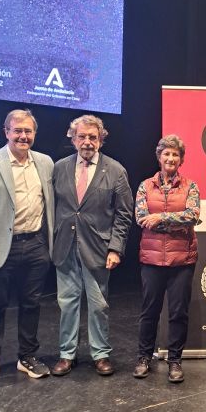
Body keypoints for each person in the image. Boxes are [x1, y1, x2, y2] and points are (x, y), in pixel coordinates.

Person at [0, 109, 54, 386]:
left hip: (36, 244)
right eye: (18, 131)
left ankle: (27, 357)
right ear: (6, 132)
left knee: (31, 305)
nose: (23, 136)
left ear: (34, 134)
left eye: (28, 131)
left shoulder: (46, 162)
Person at [51, 115, 133, 377]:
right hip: (65, 245)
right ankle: (67, 354)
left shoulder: (116, 170)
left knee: (98, 305)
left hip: (98, 248)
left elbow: (124, 214)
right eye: (82, 137)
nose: (87, 142)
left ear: (101, 139)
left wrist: (115, 248)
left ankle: (100, 354)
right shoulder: (59, 168)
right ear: (73, 139)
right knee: (67, 303)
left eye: (93, 137)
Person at [133, 135, 200, 383]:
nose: (170, 158)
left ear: (181, 159)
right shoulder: (144, 186)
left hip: (182, 260)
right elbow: (141, 218)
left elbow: (193, 215)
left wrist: (160, 218)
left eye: (175, 154)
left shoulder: (190, 186)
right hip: (151, 259)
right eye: (166, 154)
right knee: (149, 312)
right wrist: (174, 220)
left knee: (178, 313)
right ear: (159, 157)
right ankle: (144, 357)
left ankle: (175, 360)